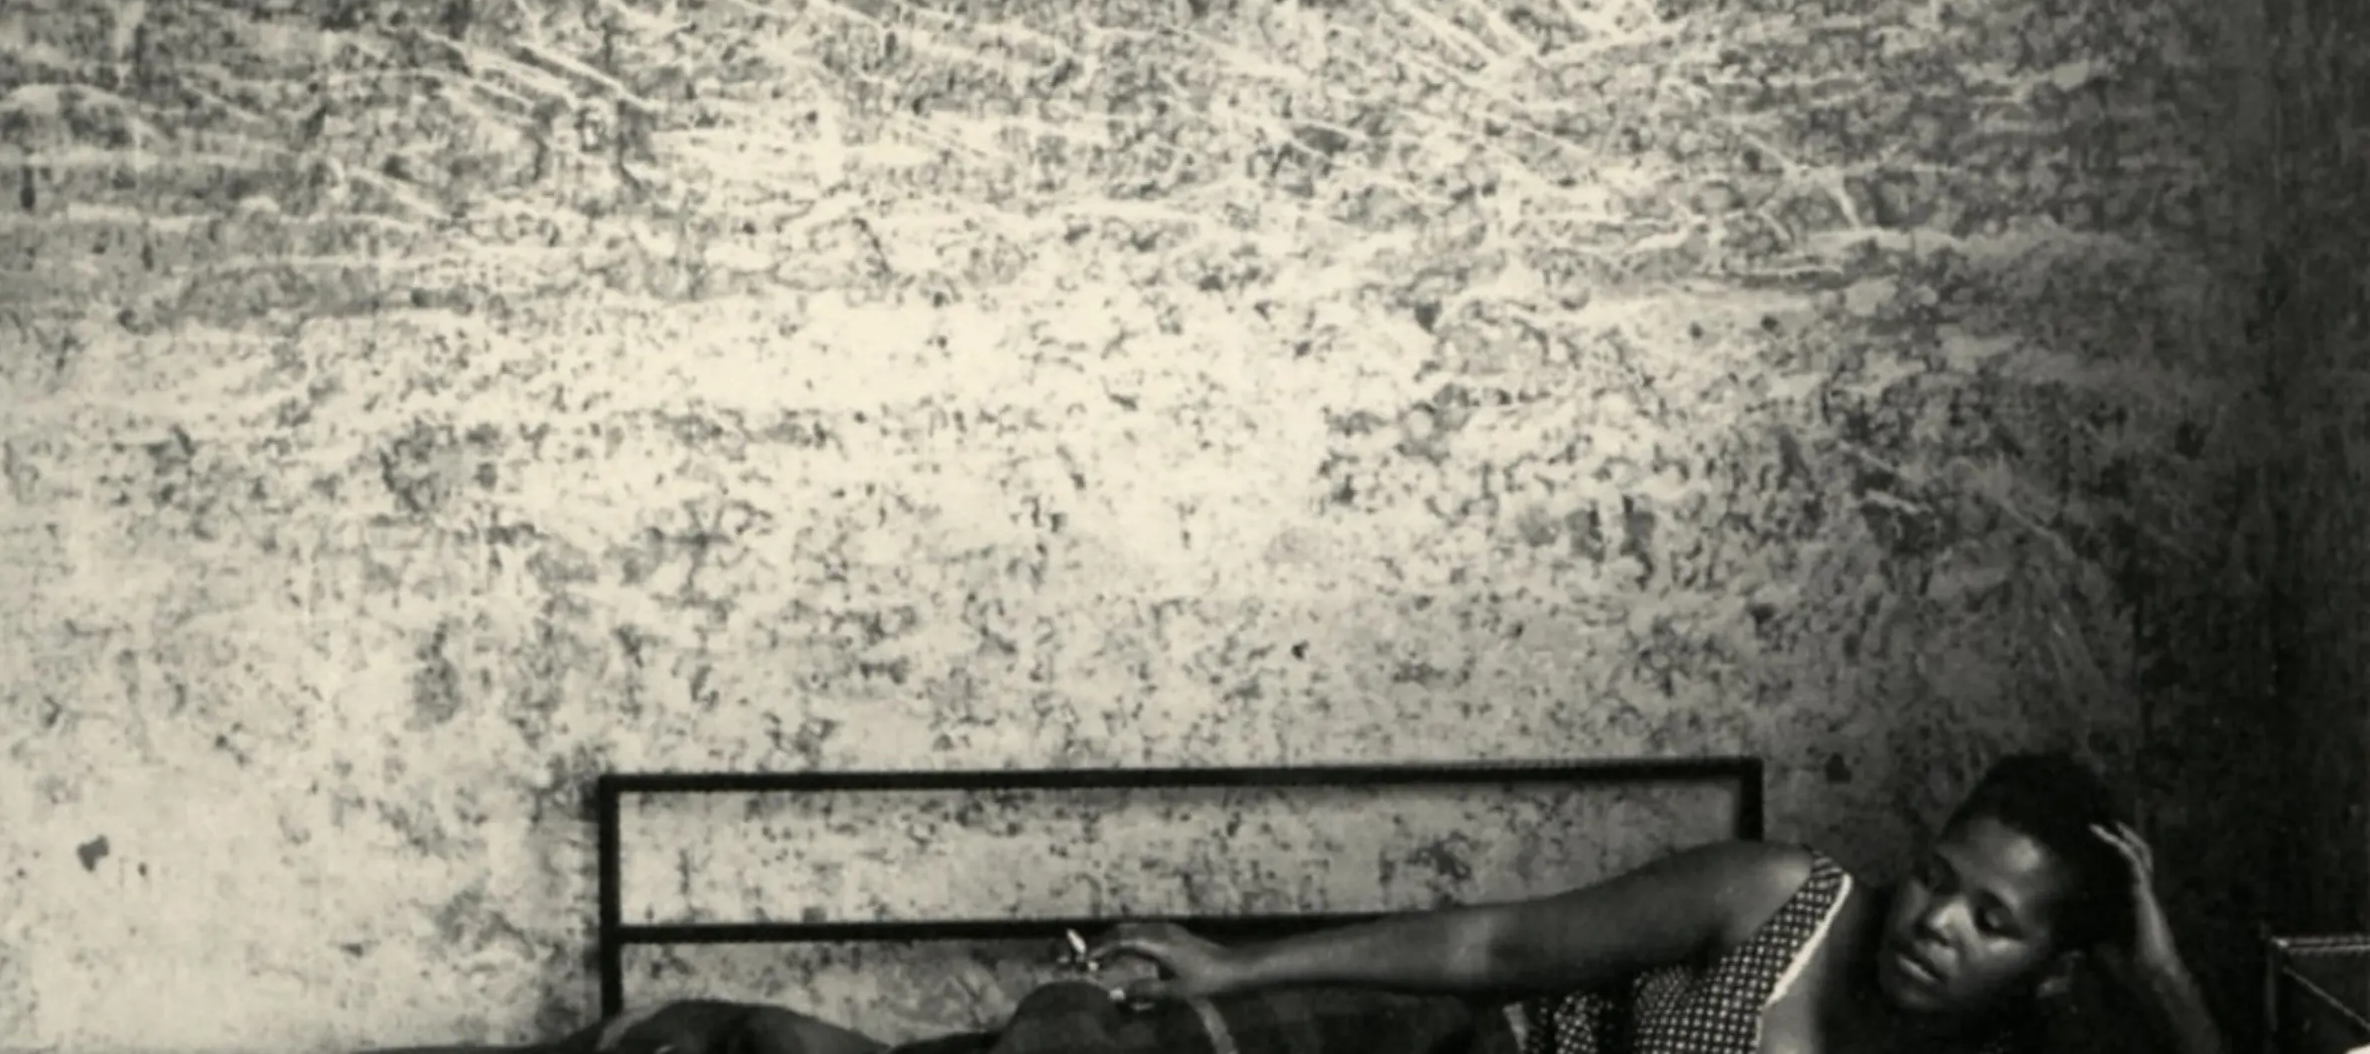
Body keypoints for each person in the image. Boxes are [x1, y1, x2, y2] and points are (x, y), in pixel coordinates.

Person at [402, 754, 2228, 1054]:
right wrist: (1235, 961)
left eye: (1996, 925)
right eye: (1945, 880)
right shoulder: (1786, 899)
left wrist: (2170, 980)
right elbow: (1494, 947)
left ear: (2055, 972)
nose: (1938, 925)